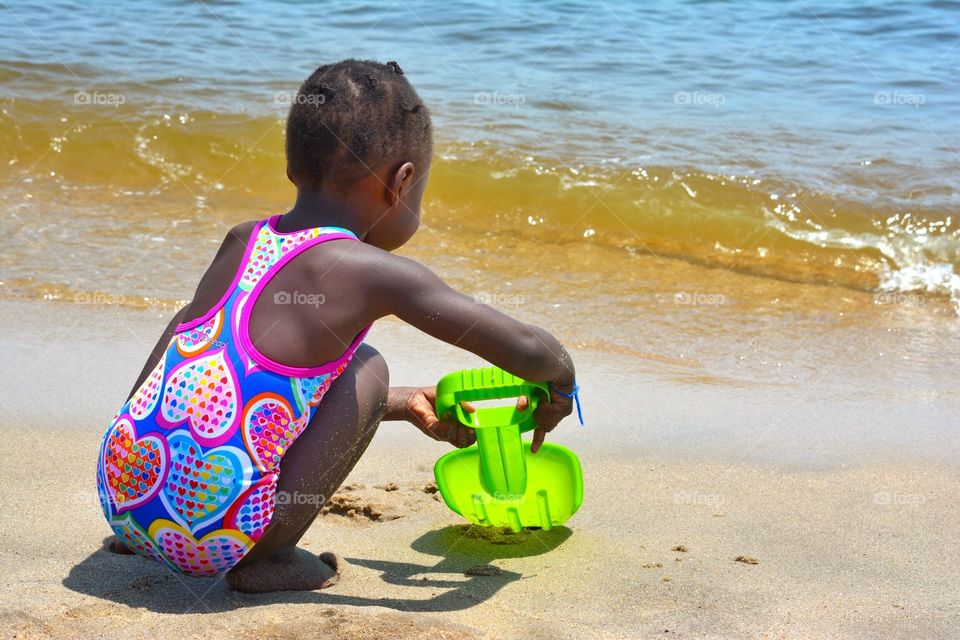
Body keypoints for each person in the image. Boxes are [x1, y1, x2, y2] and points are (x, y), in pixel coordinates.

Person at [96, 59, 577, 593]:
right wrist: (561, 382)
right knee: (367, 366)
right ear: (402, 183)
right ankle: (267, 558)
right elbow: (528, 349)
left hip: (123, 500)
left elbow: (243, 383)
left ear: (293, 166)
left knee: (195, 325)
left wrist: (402, 404)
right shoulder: (373, 272)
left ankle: (146, 523)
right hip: (218, 538)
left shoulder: (242, 240)